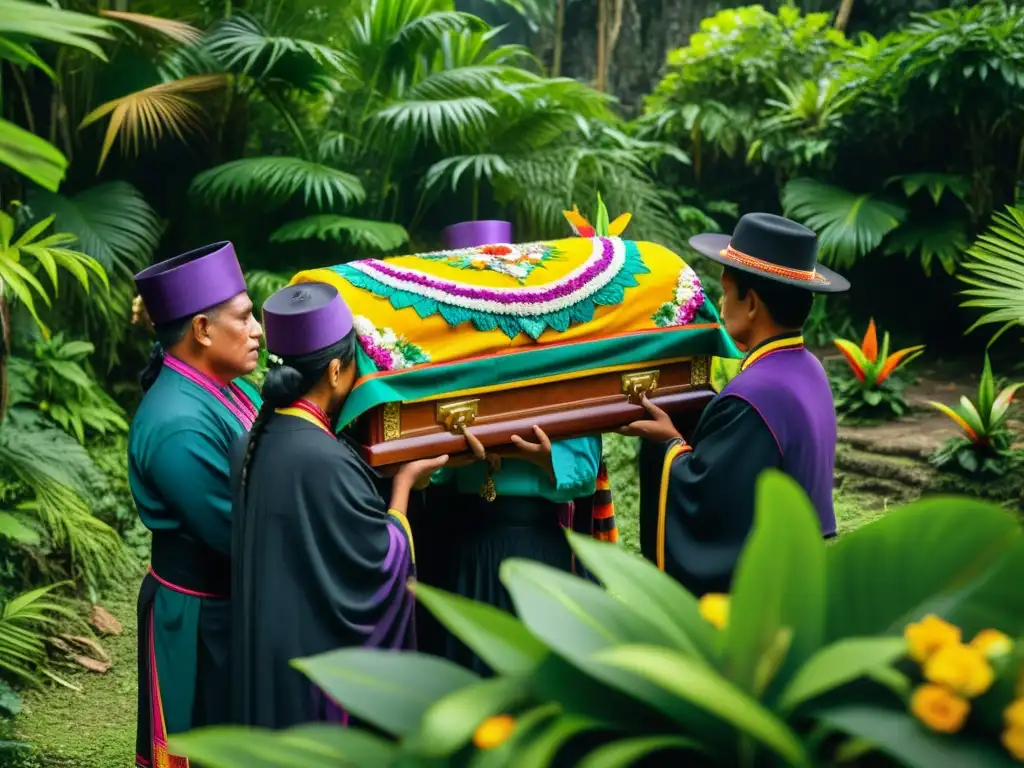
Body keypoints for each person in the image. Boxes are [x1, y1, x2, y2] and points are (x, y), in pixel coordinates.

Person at [230, 282, 447, 729]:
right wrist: (405, 483)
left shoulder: (248, 441)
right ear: (334, 371)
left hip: (266, 643)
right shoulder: (323, 460)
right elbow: (380, 563)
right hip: (314, 656)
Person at [412, 221, 605, 675]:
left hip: (534, 544)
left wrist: (537, 457)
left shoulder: (554, 352)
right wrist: (453, 456)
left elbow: (584, 468)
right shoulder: (440, 359)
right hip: (463, 549)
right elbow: (424, 466)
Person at [623, 212, 850, 597]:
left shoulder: (755, 396)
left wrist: (667, 444)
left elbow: (710, 506)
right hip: (799, 569)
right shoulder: (808, 368)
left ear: (751, 304)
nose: (719, 302)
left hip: (762, 592)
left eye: (726, 292)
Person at [128, 241, 263, 768]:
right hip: (201, 617)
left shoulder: (227, 387)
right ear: (202, 330)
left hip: (229, 604)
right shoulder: (178, 423)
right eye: (246, 317)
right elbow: (238, 530)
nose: (257, 330)